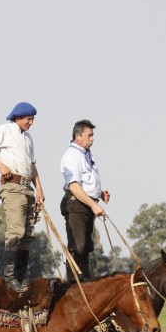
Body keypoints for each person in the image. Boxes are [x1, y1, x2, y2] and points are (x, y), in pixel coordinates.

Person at [0, 102, 45, 292]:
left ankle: (21, 278)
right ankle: (10, 278)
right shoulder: (4, 130)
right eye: (28, 119)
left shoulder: (28, 138)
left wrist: (39, 189)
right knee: (16, 231)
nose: (31, 122)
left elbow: (32, 165)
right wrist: (0, 166)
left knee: (28, 235)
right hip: (12, 186)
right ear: (18, 117)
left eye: (32, 119)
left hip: (27, 187)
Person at [60, 119, 110, 281]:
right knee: (78, 246)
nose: (92, 139)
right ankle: (74, 283)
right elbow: (74, 186)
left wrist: (99, 194)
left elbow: (85, 182)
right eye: (90, 135)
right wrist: (93, 205)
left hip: (86, 204)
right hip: (76, 204)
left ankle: (85, 280)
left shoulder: (86, 155)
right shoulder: (72, 156)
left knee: (86, 247)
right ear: (78, 136)